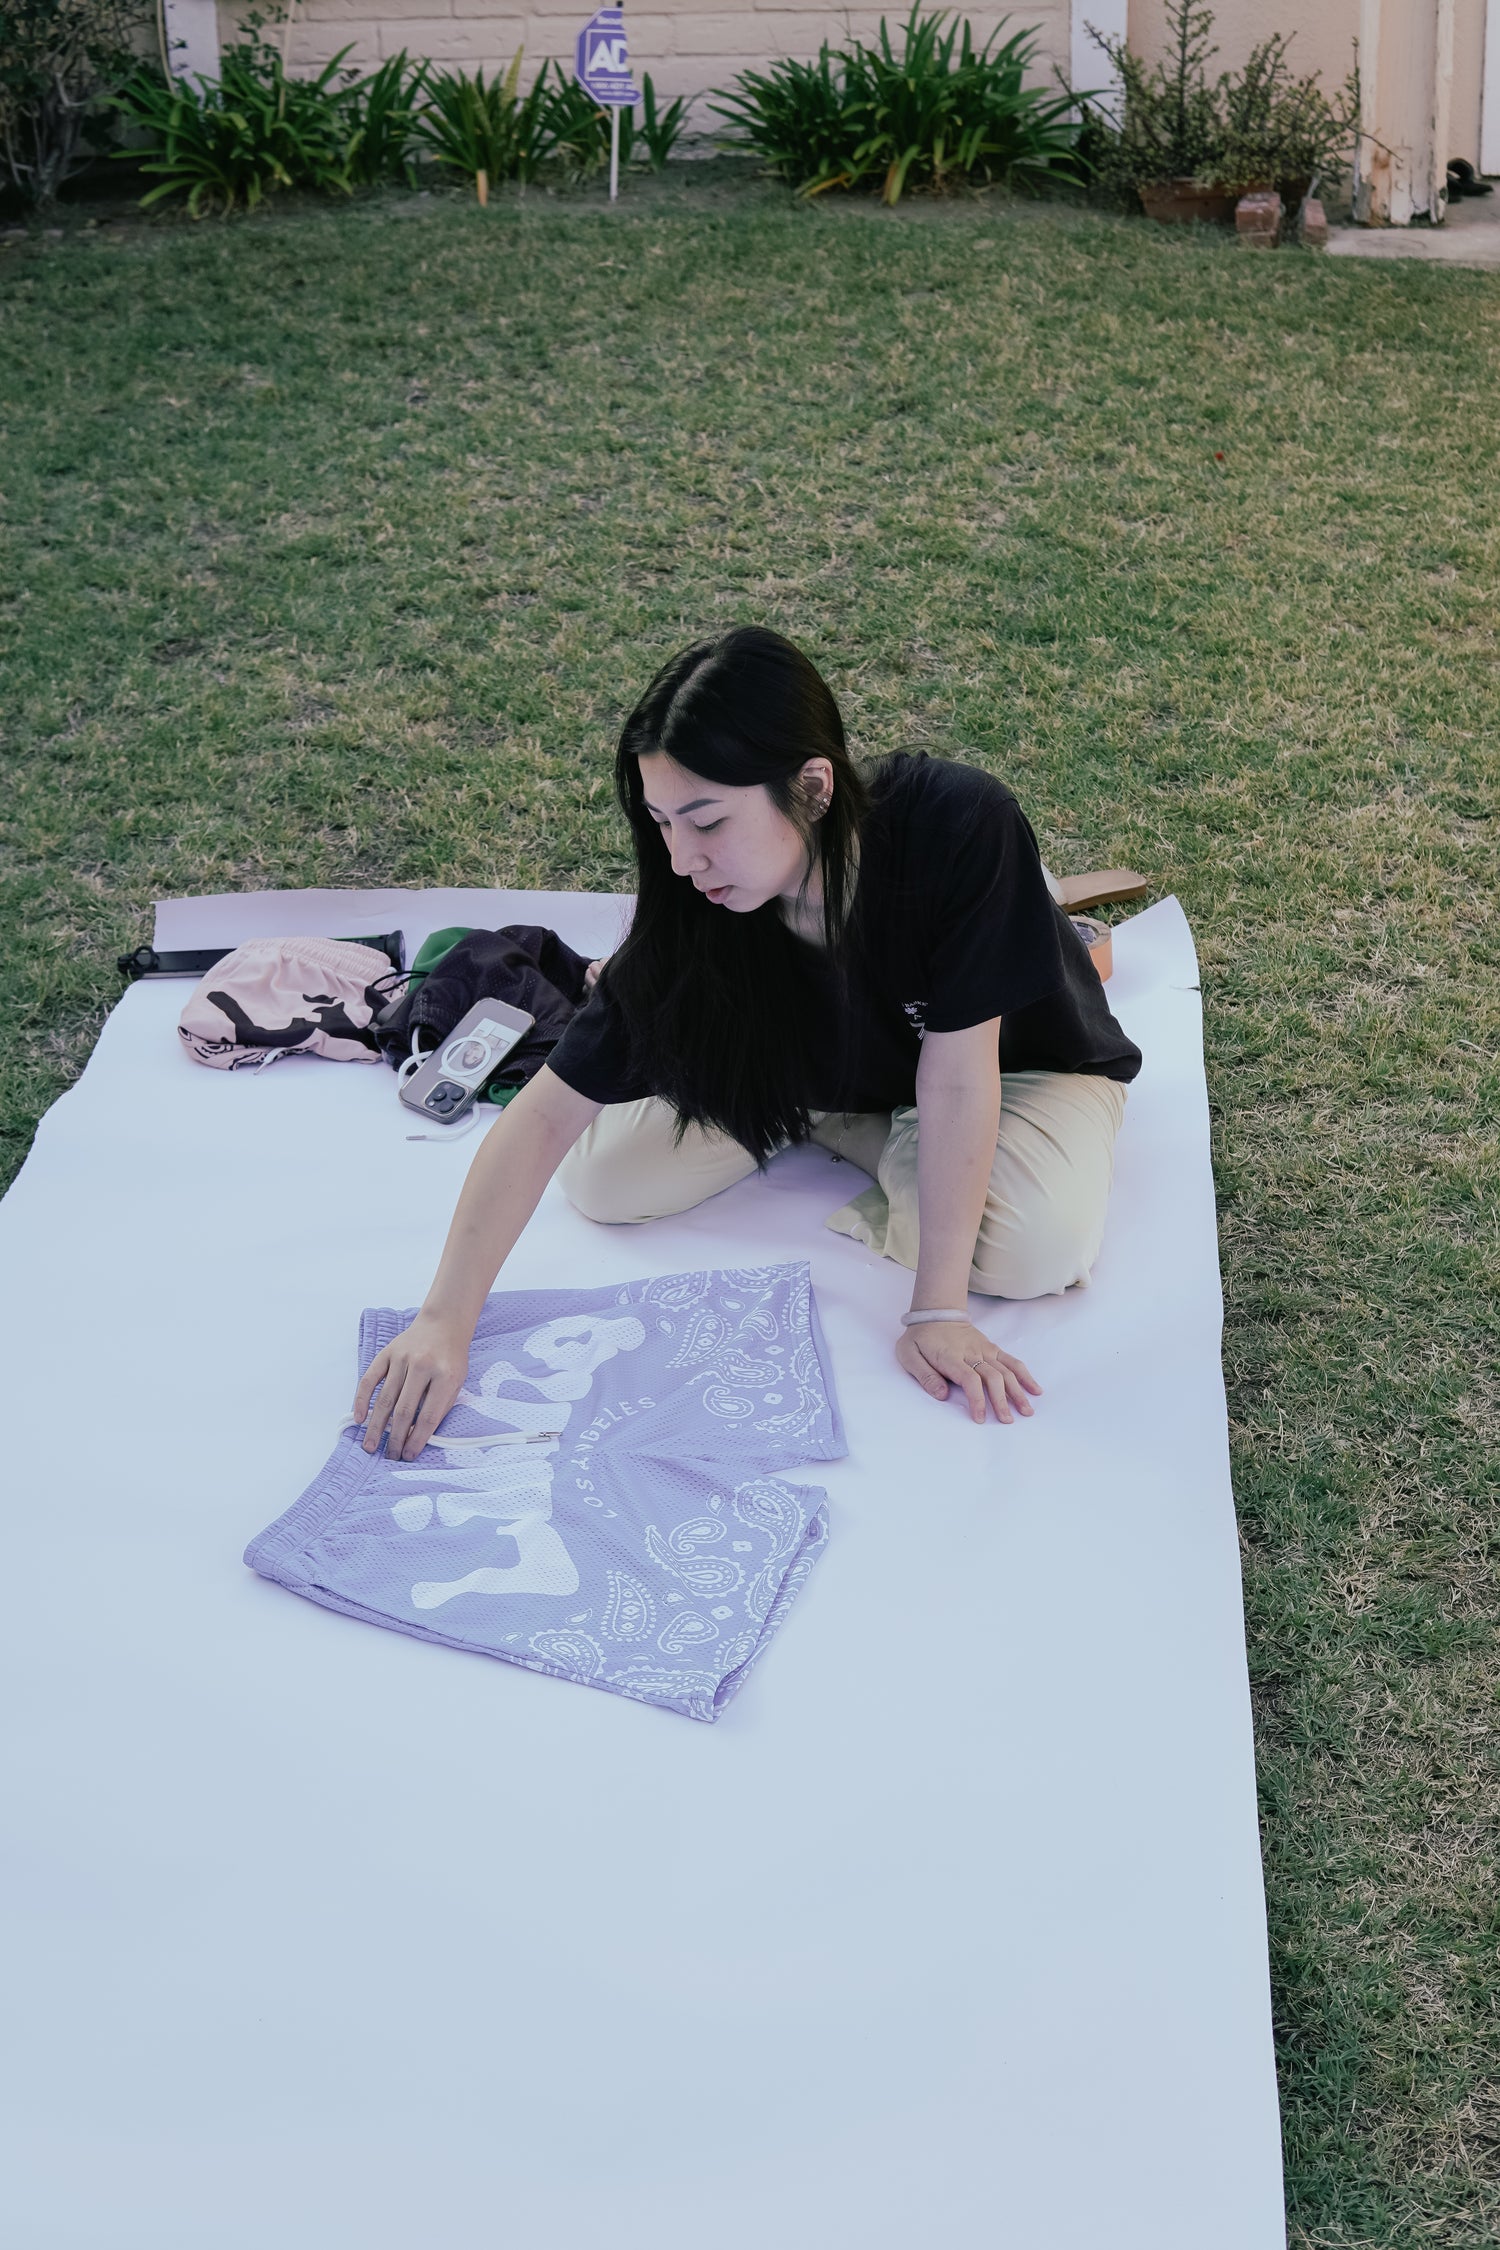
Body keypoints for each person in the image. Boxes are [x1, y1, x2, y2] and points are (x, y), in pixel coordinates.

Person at [355, 626, 1141, 1461]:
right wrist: (443, 1321)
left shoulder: (958, 822)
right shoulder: (697, 904)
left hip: (1005, 1066)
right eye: (662, 823)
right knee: (608, 1176)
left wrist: (937, 1312)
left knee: (1032, 1253)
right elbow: (546, 1115)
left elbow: (956, 1074)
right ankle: (873, 1140)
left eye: (708, 822)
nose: (683, 858)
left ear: (811, 787)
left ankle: (909, 1123)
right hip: (814, 1075)